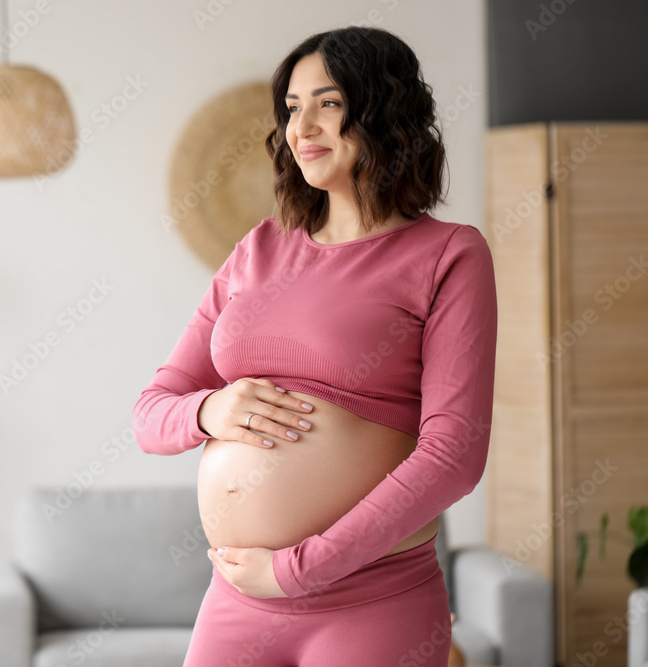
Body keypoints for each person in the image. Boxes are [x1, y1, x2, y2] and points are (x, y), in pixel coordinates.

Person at [131, 26, 497, 667]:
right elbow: (151, 413)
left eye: (327, 104)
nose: (303, 127)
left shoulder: (448, 254)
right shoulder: (259, 249)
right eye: (293, 109)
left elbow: (452, 455)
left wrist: (302, 569)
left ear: (384, 112)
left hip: (373, 601)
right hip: (237, 602)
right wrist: (207, 411)